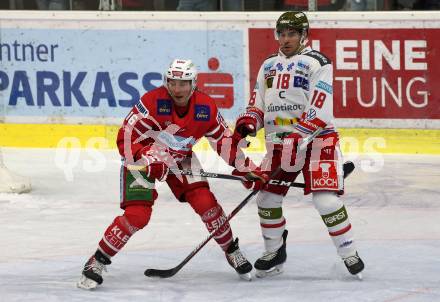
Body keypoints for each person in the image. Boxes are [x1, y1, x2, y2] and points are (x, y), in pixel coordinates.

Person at [77, 59, 268, 289]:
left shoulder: (205, 108)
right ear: (166, 82)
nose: (177, 89)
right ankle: (96, 261)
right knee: (138, 215)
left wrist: (247, 169)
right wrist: (147, 158)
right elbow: (125, 137)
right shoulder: (152, 102)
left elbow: (223, 143)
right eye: (173, 83)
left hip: (180, 158)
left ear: (194, 84)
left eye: (183, 84)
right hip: (141, 161)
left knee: (206, 203)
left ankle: (231, 250)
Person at [232, 11, 365, 278]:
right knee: (266, 198)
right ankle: (275, 251)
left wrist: (299, 135)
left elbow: (320, 107)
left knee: (325, 200)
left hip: (318, 141)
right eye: (281, 33)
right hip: (279, 145)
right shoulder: (268, 64)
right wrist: (250, 122)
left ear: (304, 34)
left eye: (291, 33)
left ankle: (349, 252)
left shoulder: (318, 63)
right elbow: (259, 101)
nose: (285, 39)